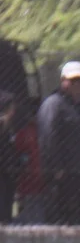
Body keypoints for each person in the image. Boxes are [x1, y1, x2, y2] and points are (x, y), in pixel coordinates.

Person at [37, 61, 80, 225]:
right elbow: (48, 137)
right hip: (62, 178)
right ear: (63, 80)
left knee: (78, 222)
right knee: (60, 223)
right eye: (73, 80)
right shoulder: (54, 104)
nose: (77, 84)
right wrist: (56, 168)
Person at [13, 96, 45, 224]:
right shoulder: (28, 133)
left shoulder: (27, 133)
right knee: (34, 217)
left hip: (33, 183)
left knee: (33, 215)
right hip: (32, 183)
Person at [0, 90, 19, 223]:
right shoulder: (2, 125)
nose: (14, 110)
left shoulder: (9, 126)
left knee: (7, 204)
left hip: (8, 172)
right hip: (2, 171)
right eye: (12, 106)